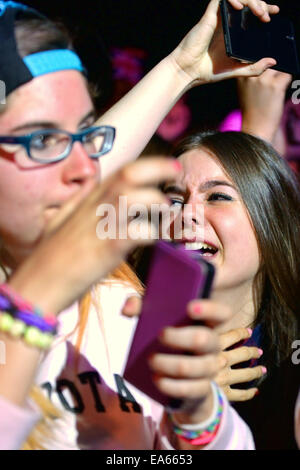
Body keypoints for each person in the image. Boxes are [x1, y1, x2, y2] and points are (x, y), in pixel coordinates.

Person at [0, 0, 280, 450]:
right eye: (43, 139)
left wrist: (197, 415)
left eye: (87, 136)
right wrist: (30, 307)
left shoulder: (122, 305)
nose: (84, 169)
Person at [160, 129, 300, 449]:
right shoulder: (120, 335)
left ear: (271, 220)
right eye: (175, 200)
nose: (186, 215)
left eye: (217, 197)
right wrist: (189, 414)